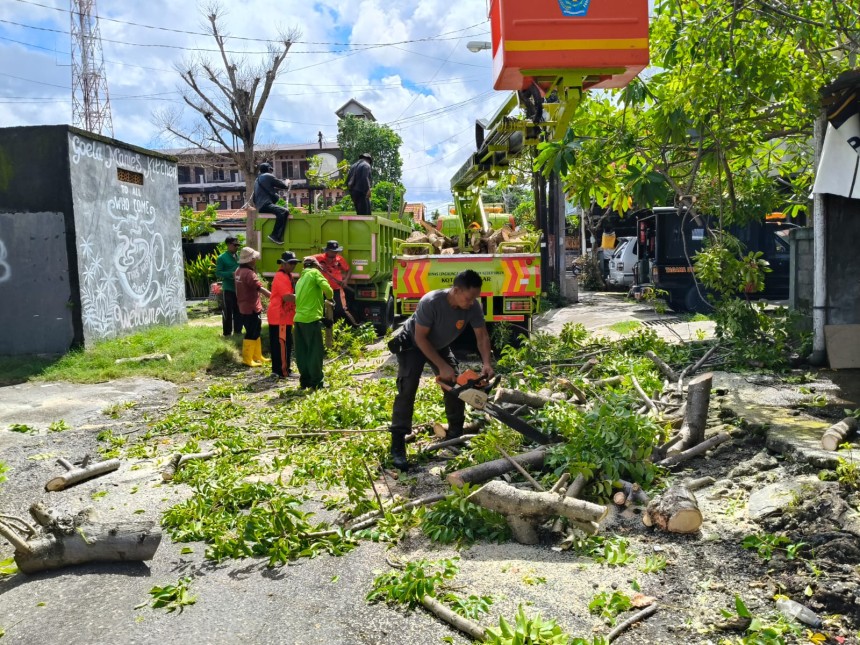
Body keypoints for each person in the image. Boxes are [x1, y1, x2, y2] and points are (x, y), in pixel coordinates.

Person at [388, 270, 494, 470]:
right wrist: (442, 366)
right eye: (469, 298)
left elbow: (482, 336)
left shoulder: (472, 307)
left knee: (456, 384)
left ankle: (455, 434)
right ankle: (397, 445)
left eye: (475, 298)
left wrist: (487, 363)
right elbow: (420, 338)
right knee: (408, 387)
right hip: (413, 344)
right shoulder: (431, 302)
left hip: (439, 344)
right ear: (455, 290)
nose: (472, 303)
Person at [293, 256, 334, 389]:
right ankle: (317, 382)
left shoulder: (300, 279)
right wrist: (330, 298)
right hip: (311, 320)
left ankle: (305, 381)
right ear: (316, 267)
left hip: (298, 320)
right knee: (314, 352)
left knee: (302, 352)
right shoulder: (315, 273)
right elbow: (328, 289)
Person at [234, 246, 271, 367]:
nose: (256, 259)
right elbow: (259, 288)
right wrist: (272, 296)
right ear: (250, 260)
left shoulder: (238, 271)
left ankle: (257, 356)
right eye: (254, 258)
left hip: (243, 306)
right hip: (252, 307)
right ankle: (247, 359)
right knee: (252, 332)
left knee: (255, 331)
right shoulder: (249, 273)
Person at [268, 251, 299, 378]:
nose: (293, 266)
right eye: (291, 263)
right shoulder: (281, 276)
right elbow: (287, 297)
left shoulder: (287, 275)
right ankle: (282, 371)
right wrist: (305, 297)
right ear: (284, 264)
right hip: (279, 316)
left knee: (284, 344)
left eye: (295, 263)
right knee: (282, 345)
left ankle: (279, 370)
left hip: (284, 316)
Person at [314, 240, 354, 324]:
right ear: (327, 251)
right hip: (322, 289)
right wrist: (317, 265)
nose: (335, 253)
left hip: (336, 289)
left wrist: (345, 280)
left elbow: (348, 270)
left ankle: (338, 327)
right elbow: (306, 260)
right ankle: (326, 328)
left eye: (336, 251)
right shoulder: (319, 258)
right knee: (322, 310)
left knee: (339, 310)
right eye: (333, 251)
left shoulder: (339, 259)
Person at [254, 162, 292, 245]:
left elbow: (254, 197)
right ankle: (275, 235)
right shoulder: (268, 176)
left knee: (279, 210)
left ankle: (275, 235)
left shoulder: (257, 179)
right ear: (269, 169)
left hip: (259, 206)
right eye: (271, 170)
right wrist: (287, 181)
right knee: (283, 211)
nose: (272, 172)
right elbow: (283, 186)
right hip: (265, 205)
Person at [215, 236, 243, 336]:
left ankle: (238, 332)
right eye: (235, 245)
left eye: (238, 245)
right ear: (229, 245)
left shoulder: (239, 257)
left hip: (239, 289)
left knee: (238, 311)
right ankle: (227, 333)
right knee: (227, 312)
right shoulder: (222, 258)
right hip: (228, 289)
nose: (237, 247)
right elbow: (218, 273)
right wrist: (231, 274)